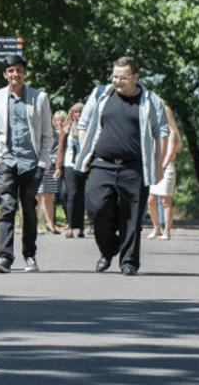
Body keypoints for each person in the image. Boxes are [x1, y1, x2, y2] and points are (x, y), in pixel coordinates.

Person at [72, 56, 171, 275]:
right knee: (97, 210)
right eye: (115, 76)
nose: (117, 81)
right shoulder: (100, 94)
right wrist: (85, 147)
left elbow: (162, 132)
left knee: (132, 216)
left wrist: (159, 163)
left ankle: (129, 262)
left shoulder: (151, 100)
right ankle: (109, 248)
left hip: (134, 167)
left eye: (123, 77)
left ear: (136, 77)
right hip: (101, 163)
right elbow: (84, 123)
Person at [0, 55, 55, 273]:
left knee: (29, 210)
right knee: (7, 207)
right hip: (6, 162)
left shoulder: (39, 98)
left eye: (19, 70)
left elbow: (47, 135)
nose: (15, 74)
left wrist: (42, 163)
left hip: (31, 163)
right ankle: (4, 257)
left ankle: (30, 255)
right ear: (5, 74)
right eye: (11, 70)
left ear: (24, 73)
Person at [148, 103, 181, 240]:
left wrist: (161, 166)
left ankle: (167, 231)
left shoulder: (172, 133)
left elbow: (171, 153)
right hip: (155, 168)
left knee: (165, 201)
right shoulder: (154, 131)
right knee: (150, 201)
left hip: (166, 169)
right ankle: (156, 228)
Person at [59, 102, 87, 238]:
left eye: (80, 112)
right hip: (69, 164)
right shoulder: (67, 128)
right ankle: (70, 225)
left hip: (83, 165)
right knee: (71, 194)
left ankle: (80, 227)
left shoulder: (86, 127)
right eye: (75, 112)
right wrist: (58, 167)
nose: (78, 115)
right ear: (71, 113)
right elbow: (61, 148)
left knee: (81, 195)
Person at [38, 109, 68, 233]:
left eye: (61, 120)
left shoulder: (66, 133)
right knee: (40, 196)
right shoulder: (48, 133)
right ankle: (38, 224)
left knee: (49, 195)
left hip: (57, 166)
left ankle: (50, 224)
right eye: (56, 120)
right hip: (45, 165)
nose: (59, 123)